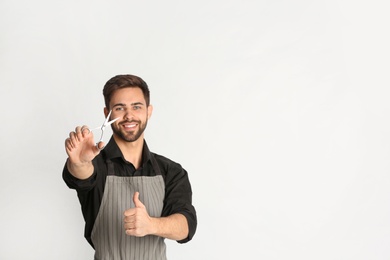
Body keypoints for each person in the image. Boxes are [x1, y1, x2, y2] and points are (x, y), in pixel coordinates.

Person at [63, 74, 197, 260]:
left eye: (137, 107)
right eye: (120, 108)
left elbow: (186, 225)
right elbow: (82, 175)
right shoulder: (95, 164)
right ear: (106, 113)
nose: (129, 115)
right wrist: (79, 162)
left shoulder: (170, 171)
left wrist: (151, 225)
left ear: (148, 111)